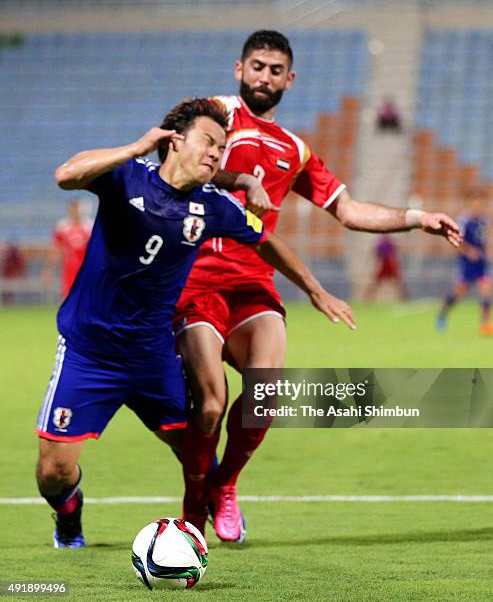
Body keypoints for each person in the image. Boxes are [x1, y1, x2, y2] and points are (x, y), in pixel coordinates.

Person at [173, 30, 462, 542]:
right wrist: (242, 181)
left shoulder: (295, 149)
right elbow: (176, 166)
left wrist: (418, 217)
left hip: (255, 281)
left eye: (275, 69)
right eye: (257, 66)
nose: (265, 76)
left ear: (291, 78)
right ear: (239, 68)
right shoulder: (215, 115)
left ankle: (225, 485)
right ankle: (196, 500)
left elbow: (348, 211)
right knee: (211, 404)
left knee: (266, 391)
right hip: (195, 278)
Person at [35, 97, 354, 548]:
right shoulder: (127, 176)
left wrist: (316, 290)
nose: (216, 154)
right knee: (53, 472)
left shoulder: (214, 206)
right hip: (90, 354)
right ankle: (68, 515)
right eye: (208, 142)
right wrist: (137, 146)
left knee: (196, 447)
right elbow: (66, 174)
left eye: (221, 148)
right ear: (175, 141)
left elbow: (267, 242)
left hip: (153, 355)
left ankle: (211, 504)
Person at [437, 188, 492, 335]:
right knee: (459, 292)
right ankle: (442, 315)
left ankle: (485, 323)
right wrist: (469, 251)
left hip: (481, 262)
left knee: (486, 289)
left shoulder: (485, 220)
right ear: (470, 204)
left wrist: (487, 250)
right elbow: (456, 242)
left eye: (480, 203)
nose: (477, 206)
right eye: (475, 203)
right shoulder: (463, 220)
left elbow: (485, 238)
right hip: (467, 262)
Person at [42, 199, 93, 299]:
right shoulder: (62, 227)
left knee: (87, 298)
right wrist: (48, 271)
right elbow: (56, 250)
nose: (75, 211)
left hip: (87, 269)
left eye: (77, 208)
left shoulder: (90, 227)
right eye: (73, 208)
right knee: (68, 298)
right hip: (69, 269)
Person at [364, 235, 408, 301]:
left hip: (389, 263)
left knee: (397, 282)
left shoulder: (387, 242)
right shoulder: (383, 242)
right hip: (386, 263)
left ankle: (405, 298)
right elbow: (376, 253)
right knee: (378, 282)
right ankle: (368, 298)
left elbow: (376, 253)